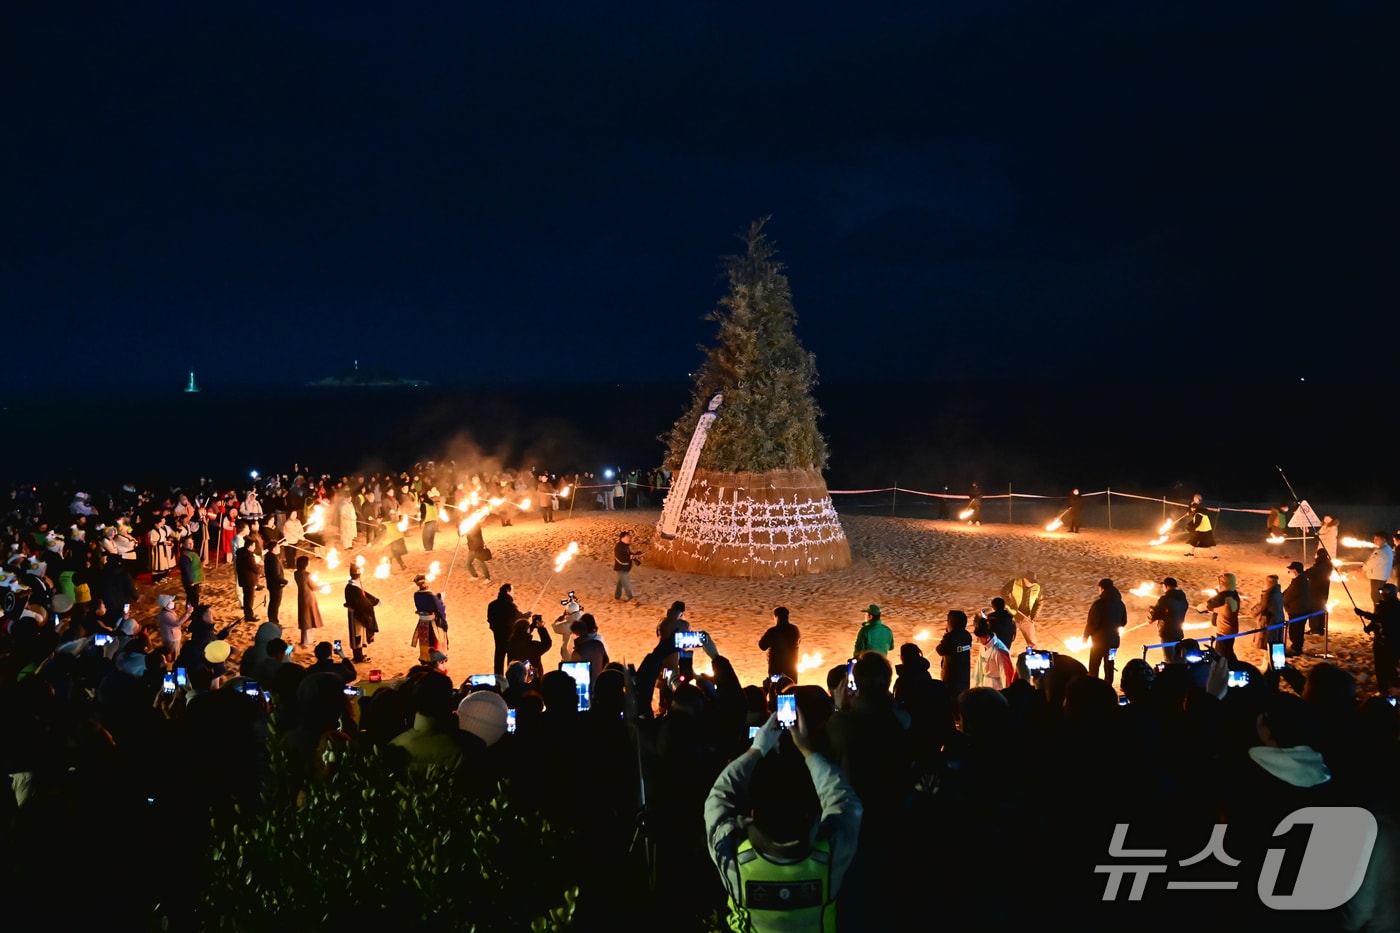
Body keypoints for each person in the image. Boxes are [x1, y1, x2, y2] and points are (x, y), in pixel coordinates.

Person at [704, 705, 863, 933]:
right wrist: (807, 749)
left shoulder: (731, 854)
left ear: (753, 815)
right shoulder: (831, 852)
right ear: (810, 815)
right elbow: (847, 801)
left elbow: (718, 797)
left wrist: (757, 748)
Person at [1354, 582, 1399, 695]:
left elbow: (1382, 618)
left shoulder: (1395, 607)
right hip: (1380, 641)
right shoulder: (1381, 605)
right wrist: (1369, 628)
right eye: (1381, 591)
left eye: (1385, 592)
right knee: (1380, 666)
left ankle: (1392, 686)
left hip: (1392, 641)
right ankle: (1383, 689)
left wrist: (1363, 613)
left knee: (1389, 665)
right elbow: (1376, 620)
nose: (1382, 594)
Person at [1083, 577, 1125, 683]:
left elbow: (1092, 623)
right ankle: (1108, 687)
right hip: (1114, 642)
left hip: (1099, 642)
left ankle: (1094, 687)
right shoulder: (1121, 604)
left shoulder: (1099, 604)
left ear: (1101, 589)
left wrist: (1085, 636)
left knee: (1094, 666)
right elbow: (1123, 622)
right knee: (1109, 665)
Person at [487, 583, 529, 677]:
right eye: (512, 591)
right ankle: (511, 677)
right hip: (510, 635)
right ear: (508, 591)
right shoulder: (510, 606)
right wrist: (525, 616)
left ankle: (498, 677)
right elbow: (517, 617)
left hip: (498, 634)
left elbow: (489, 619)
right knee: (511, 657)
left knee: (499, 656)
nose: (514, 593)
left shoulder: (492, 605)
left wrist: (494, 628)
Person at [1202, 571, 1242, 662]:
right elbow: (1223, 608)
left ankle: (1229, 668)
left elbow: (1207, 605)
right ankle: (1234, 665)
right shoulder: (1234, 593)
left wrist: (1200, 608)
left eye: (1220, 582)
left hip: (1224, 630)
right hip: (1231, 628)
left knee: (1222, 654)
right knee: (1228, 650)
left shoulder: (1224, 596)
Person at [343, 564, 379, 664]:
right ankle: (358, 657)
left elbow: (364, 594)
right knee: (357, 635)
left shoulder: (354, 585)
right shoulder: (352, 587)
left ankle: (359, 655)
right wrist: (371, 605)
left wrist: (374, 600)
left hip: (358, 612)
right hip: (356, 614)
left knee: (359, 634)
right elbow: (361, 601)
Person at [410, 574, 449, 665]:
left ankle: (425, 658)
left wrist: (438, 597)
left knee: (425, 642)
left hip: (422, 622)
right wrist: (441, 600)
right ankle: (435, 659)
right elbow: (439, 608)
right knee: (434, 640)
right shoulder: (431, 596)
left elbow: (427, 602)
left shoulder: (416, 595)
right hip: (432, 623)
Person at [1149, 577, 1189, 662]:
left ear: (1166, 586)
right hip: (1178, 632)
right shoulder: (1183, 600)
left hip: (1167, 632)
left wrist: (1151, 612)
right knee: (1178, 658)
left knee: (1169, 659)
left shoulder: (1164, 600)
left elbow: (1156, 614)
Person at [935, 610, 972, 699]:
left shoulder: (950, 637)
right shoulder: (967, 635)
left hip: (951, 674)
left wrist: (946, 636)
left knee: (950, 697)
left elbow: (940, 650)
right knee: (962, 695)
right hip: (964, 673)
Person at [758, 606, 801, 683]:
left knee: (775, 687)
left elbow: (762, 646)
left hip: (776, 669)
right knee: (792, 687)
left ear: (776, 617)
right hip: (792, 669)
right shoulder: (795, 630)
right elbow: (799, 642)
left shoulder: (773, 631)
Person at [999, 573, 1041, 649]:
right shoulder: (1014, 582)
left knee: (1032, 642)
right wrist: (1010, 603)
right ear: (1025, 579)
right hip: (1012, 615)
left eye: (1033, 582)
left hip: (1026, 617)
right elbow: (1003, 592)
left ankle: (1033, 657)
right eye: (1030, 581)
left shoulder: (1037, 587)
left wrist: (1034, 615)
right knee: (1006, 639)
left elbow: (1039, 603)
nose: (1031, 583)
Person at [972, 614, 1012, 690]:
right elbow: (978, 669)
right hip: (985, 684)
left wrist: (1006, 693)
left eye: (979, 638)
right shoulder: (983, 646)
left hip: (997, 687)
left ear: (987, 637)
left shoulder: (1000, 651)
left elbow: (1006, 675)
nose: (977, 640)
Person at [1283, 561, 1312, 657]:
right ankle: (1296, 647)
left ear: (1295, 570)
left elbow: (1289, 595)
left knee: (1296, 631)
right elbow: (1287, 592)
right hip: (1298, 609)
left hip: (1298, 610)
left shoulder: (1300, 582)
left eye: (1290, 570)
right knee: (1296, 630)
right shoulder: (1299, 580)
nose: (1290, 572)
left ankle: (1296, 648)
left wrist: (1281, 600)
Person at [294, 555, 324, 648]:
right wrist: (322, 586)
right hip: (309, 597)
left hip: (302, 597)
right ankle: (306, 640)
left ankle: (307, 639)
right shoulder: (307, 574)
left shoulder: (296, 573)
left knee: (305, 618)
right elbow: (313, 587)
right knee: (308, 619)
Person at [1252, 574, 1286, 654]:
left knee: (1268, 640)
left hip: (1270, 620)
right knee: (1275, 639)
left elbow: (1262, 606)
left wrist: (1252, 612)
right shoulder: (1277, 592)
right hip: (1278, 618)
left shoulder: (1269, 594)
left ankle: (1268, 657)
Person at [1304, 547, 1333, 637]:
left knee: (1314, 609)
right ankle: (1321, 628)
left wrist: (1305, 572)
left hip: (1316, 590)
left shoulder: (1320, 565)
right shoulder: (1328, 565)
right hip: (1324, 590)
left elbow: (1310, 573)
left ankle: (1315, 629)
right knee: (1321, 608)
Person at [1362, 532, 1393, 610]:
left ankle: (1378, 615)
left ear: (1383, 539)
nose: (1374, 541)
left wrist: (1362, 568)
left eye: (1376, 539)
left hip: (1378, 577)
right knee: (1377, 596)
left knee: (1376, 597)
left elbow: (1373, 562)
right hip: (1380, 576)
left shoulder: (1382, 551)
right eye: (1374, 539)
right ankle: (1379, 614)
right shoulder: (1385, 549)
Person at [1184, 493, 1219, 559]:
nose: (1191, 509)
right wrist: (1188, 526)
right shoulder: (1197, 513)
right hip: (1201, 529)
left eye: (1192, 508)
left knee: (1210, 543)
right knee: (1193, 541)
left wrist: (1190, 528)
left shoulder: (1199, 514)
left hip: (1205, 530)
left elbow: (1197, 524)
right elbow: (1194, 521)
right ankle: (1191, 554)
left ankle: (1216, 556)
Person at [235, 538, 261, 622]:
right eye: (253, 546)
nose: (254, 547)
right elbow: (255, 569)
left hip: (244, 579)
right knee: (249, 598)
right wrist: (260, 566)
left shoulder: (241, 554)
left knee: (247, 597)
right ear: (249, 546)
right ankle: (249, 615)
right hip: (249, 580)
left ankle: (249, 614)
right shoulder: (248, 556)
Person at [263, 540, 287, 626]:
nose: (279, 548)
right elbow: (275, 575)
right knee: (275, 604)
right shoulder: (273, 559)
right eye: (278, 547)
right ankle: (274, 622)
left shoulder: (270, 557)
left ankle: (273, 621)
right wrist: (285, 581)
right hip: (275, 585)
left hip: (273, 584)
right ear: (273, 549)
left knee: (274, 603)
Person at [613, 530, 640, 602]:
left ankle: (617, 596)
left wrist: (634, 555)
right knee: (626, 583)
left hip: (624, 568)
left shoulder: (625, 546)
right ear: (622, 538)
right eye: (627, 537)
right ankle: (630, 598)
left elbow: (629, 554)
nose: (629, 538)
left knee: (621, 583)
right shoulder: (619, 547)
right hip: (621, 568)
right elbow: (620, 558)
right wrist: (630, 557)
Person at [178, 535, 204, 610]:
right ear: (183, 544)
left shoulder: (191, 552)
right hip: (191, 581)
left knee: (193, 597)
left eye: (191, 542)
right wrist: (190, 581)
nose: (191, 544)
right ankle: (191, 613)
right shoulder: (185, 556)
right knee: (193, 598)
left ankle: (191, 612)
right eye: (188, 543)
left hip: (194, 580)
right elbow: (186, 570)